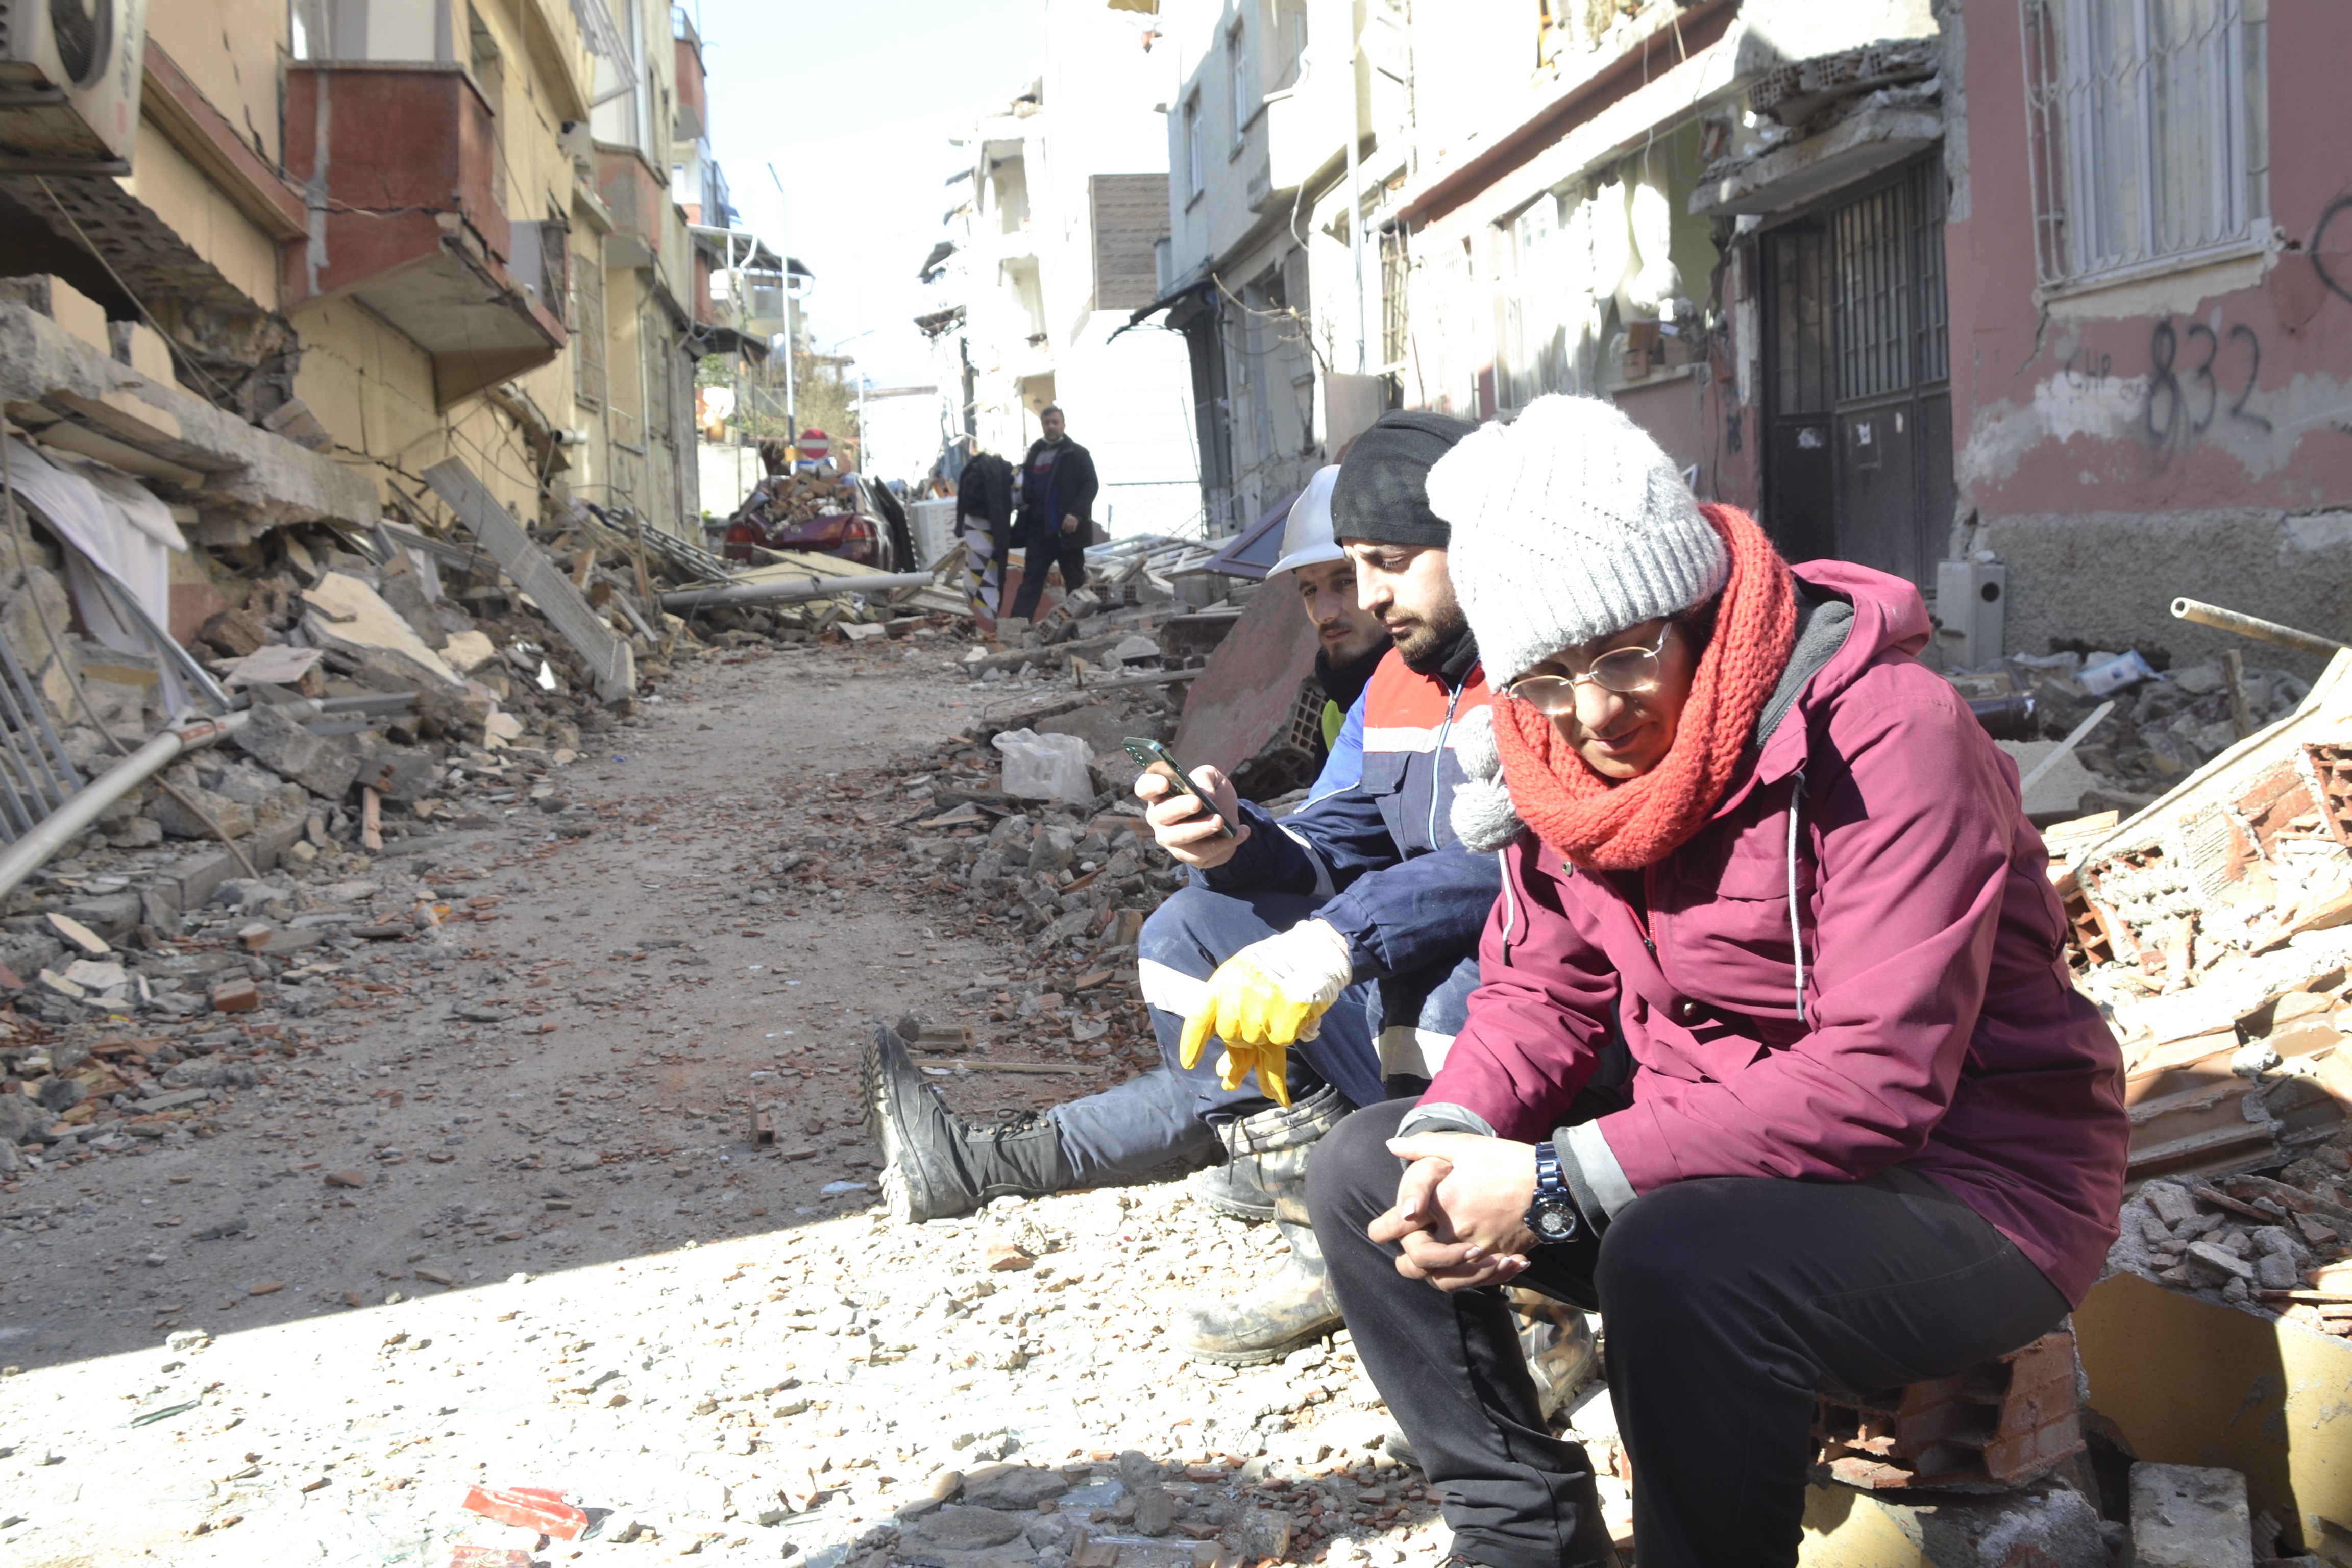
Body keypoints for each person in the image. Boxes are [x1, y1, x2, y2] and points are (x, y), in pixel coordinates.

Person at [1306, 395, 2130, 1568]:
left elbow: (1878, 1079)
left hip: (1971, 1190)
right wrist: (1460, 1132)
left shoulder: (1888, 733)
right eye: (1544, 678)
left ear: (1691, 606)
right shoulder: (1551, 749)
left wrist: (1554, 1178)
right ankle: (1522, 1527)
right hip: (1711, 1166)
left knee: (1673, 1258)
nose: (1591, 715)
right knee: (1364, 1167)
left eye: (1624, 655)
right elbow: (1540, 991)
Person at [865, 411, 1526, 1370]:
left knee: (1399, 1012)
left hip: (1518, 998)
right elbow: (1340, 835)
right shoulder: (1394, 685)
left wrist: (1335, 937)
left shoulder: (1542, 667)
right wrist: (1235, 842)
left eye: (1376, 567)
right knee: (1193, 941)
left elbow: (1522, 867)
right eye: (1330, 579)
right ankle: (1318, 1231)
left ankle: (1509, 1309)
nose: (1356, 602)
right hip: (1404, 970)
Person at [1272, 465, 1391, 791]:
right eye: (1310, 590)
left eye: (1344, 581)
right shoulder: (1334, 716)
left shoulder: (1445, 694)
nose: (1324, 612)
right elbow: (1332, 831)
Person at [1005, 406, 1099, 622]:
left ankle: (1081, 628)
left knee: (1075, 584)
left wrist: (1076, 514)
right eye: (1047, 422)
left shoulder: (1078, 454)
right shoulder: (1036, 453)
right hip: (1039, 532)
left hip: (1068, 532)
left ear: (1064, 425)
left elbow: (1090, 486)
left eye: (1056, 422)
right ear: (1042, 426)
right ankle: (1016, 629)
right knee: (1031, 582)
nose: (1051, 426)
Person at [956, 443, 1015, 618]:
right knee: (988, 577)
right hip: (987, 529)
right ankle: (986, 618)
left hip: (976, 528)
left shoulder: (974, 475)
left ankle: (982, 617)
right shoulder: (1003, 475)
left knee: (979, 576)